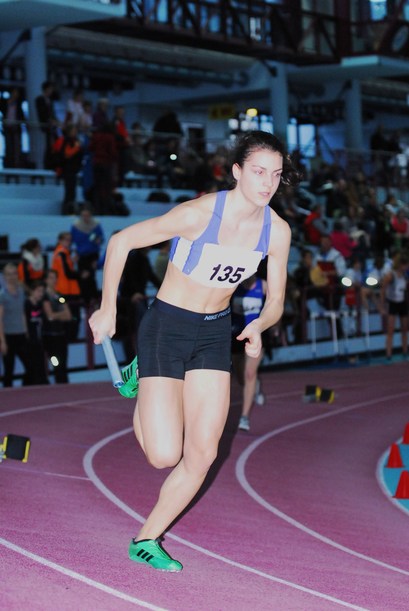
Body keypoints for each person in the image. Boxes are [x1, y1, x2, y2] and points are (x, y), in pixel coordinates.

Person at [89, 130, 297, 572]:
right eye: (258, 172)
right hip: (167, 326)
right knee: (163, 456)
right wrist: (107, 308)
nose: (267, 183)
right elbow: (121, 241)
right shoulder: (199, 214)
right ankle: (143, 376)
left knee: (203, 453)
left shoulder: (277, 231)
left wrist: (260, 324)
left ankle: (146, 539)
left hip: (214, 332)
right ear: (237, 171)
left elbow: (277, 299)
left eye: (276, 175)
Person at [231, 274, 267, 432]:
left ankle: (244, 416)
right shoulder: (234, 284)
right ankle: (255, 384)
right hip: (237, 334)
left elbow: (274, 304)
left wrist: (276, 328)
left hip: (256, 336)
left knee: (249, 373)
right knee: (241, 376)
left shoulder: (263, 286)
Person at [0, 263, 31, 386]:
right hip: (8, 336)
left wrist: (26, 331)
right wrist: (2, 341)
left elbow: (22, 313)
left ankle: (24, 388)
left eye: (14, 274)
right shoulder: (2, 295)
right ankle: (8, 394)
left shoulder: (21, 292)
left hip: (21, 334)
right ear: (4, 276)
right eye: (9, 274)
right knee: (9, 369)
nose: (12, 277)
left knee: (30, 366)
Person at [42, 269, 72, 383]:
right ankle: (58, 384)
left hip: (61, 335)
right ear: (46, 280)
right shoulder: (44, 296)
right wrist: (61, 314)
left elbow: (68, 316)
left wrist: (56, 315)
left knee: (63, 363)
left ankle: (64, 384)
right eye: (51, 277)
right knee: (56, 363)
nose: (53, 280)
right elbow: (50, 316)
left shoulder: (59, 296)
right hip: (50, 336)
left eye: (55, 277)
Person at [70, 205, 104, 304]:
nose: (85, 218)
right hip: (81, 255)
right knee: (83, 277)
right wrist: (74, 253)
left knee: (91, 276)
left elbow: (101, 238)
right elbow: (72, 240)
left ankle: (94, 299)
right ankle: (85, 300)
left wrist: (98, 240)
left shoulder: (96, 225)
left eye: (87, 215)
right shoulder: (76, 226)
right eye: (83, 215)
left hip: (93, 254)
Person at [381, 251, 409, 362]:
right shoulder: (390, 275)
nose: (407, 267)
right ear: (401, 264)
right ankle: (388, 353)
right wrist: (383, 305)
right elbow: (383, 289)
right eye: (406, 265)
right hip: (392, 303)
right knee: (390, 330)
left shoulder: (405, 275)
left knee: (405, 329)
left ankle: (405, 351)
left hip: (402, 303)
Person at [24, 280, 49, 385]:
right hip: (29, 339)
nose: (41, 294)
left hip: (39, 339)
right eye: (38, 291)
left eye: (42, 291)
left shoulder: (39, 304)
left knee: (40, 363)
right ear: (32, 291)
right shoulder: (26, 304)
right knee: (31, 365)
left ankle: (42, 382)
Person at [0, 87, 25, 168]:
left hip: (16, 127)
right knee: (8, 146)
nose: (16, 95)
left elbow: (22, 116)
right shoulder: (4, 102)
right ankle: (9, 164)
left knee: (17, 147)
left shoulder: (18, 104)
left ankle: (17, 164)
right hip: (7, 127)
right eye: (15, 92)